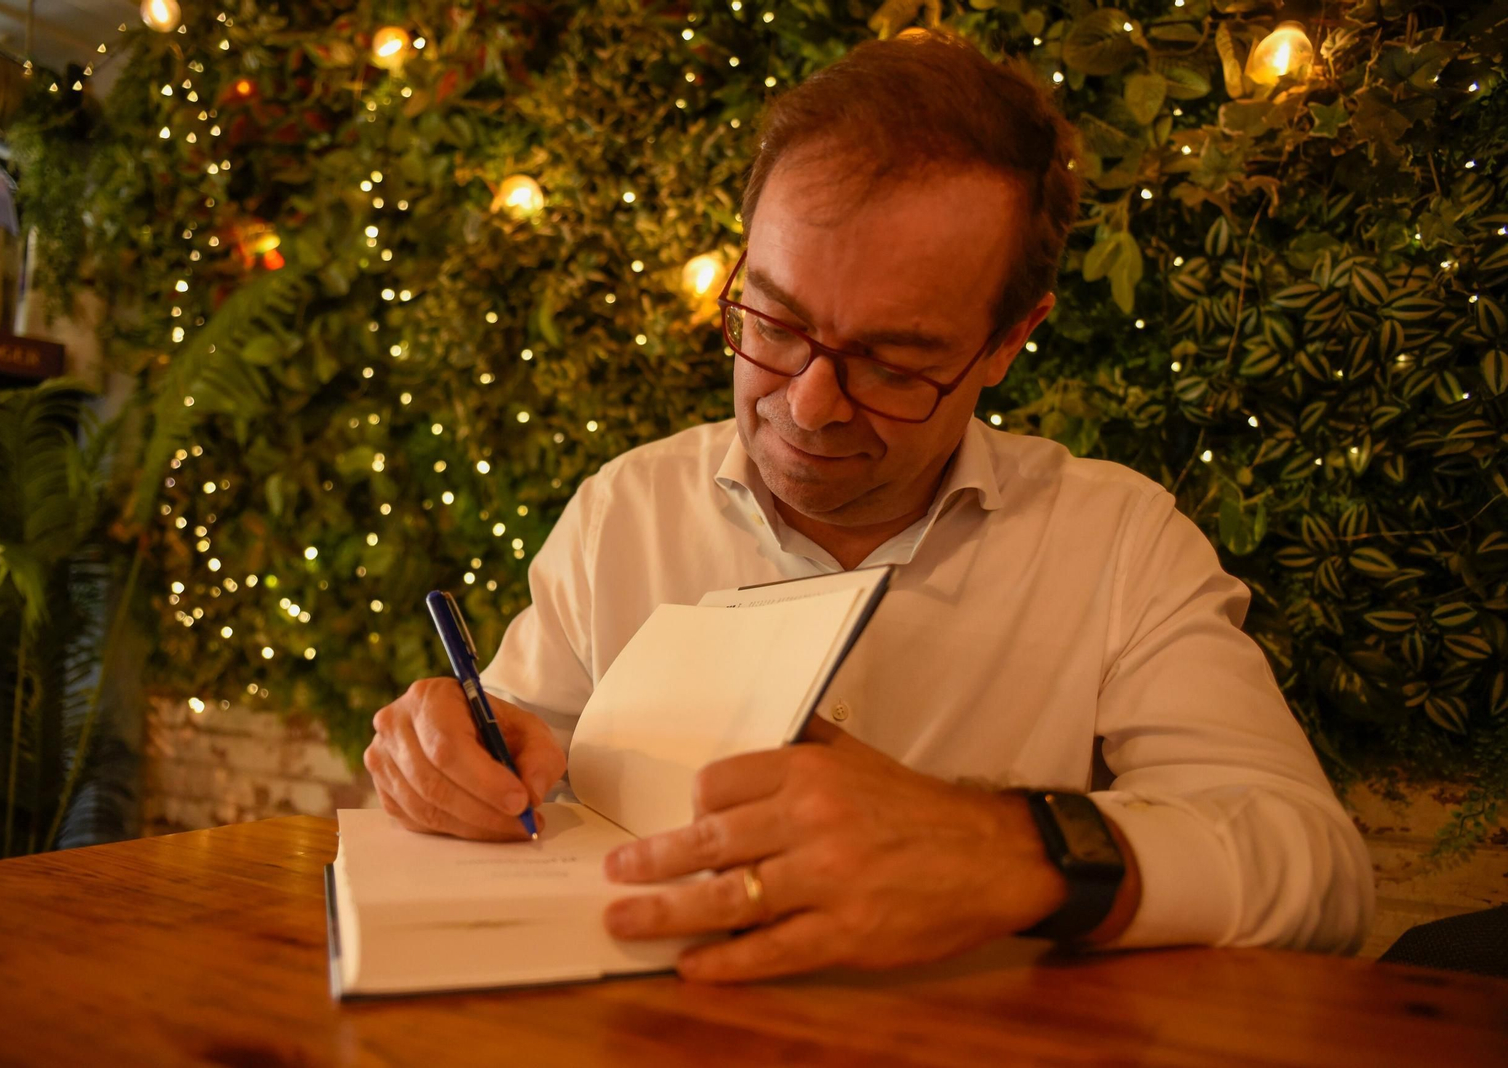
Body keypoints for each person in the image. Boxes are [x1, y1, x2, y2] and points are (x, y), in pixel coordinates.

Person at [363, 31, 1374, 982]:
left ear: (1008, 342)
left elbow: (1318, 873)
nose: (806, 402)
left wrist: (1008, 850)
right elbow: (499, 764)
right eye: (774, 320)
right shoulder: (624, 508)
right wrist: (446, 764)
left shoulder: (1117, 544)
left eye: (893, 363)